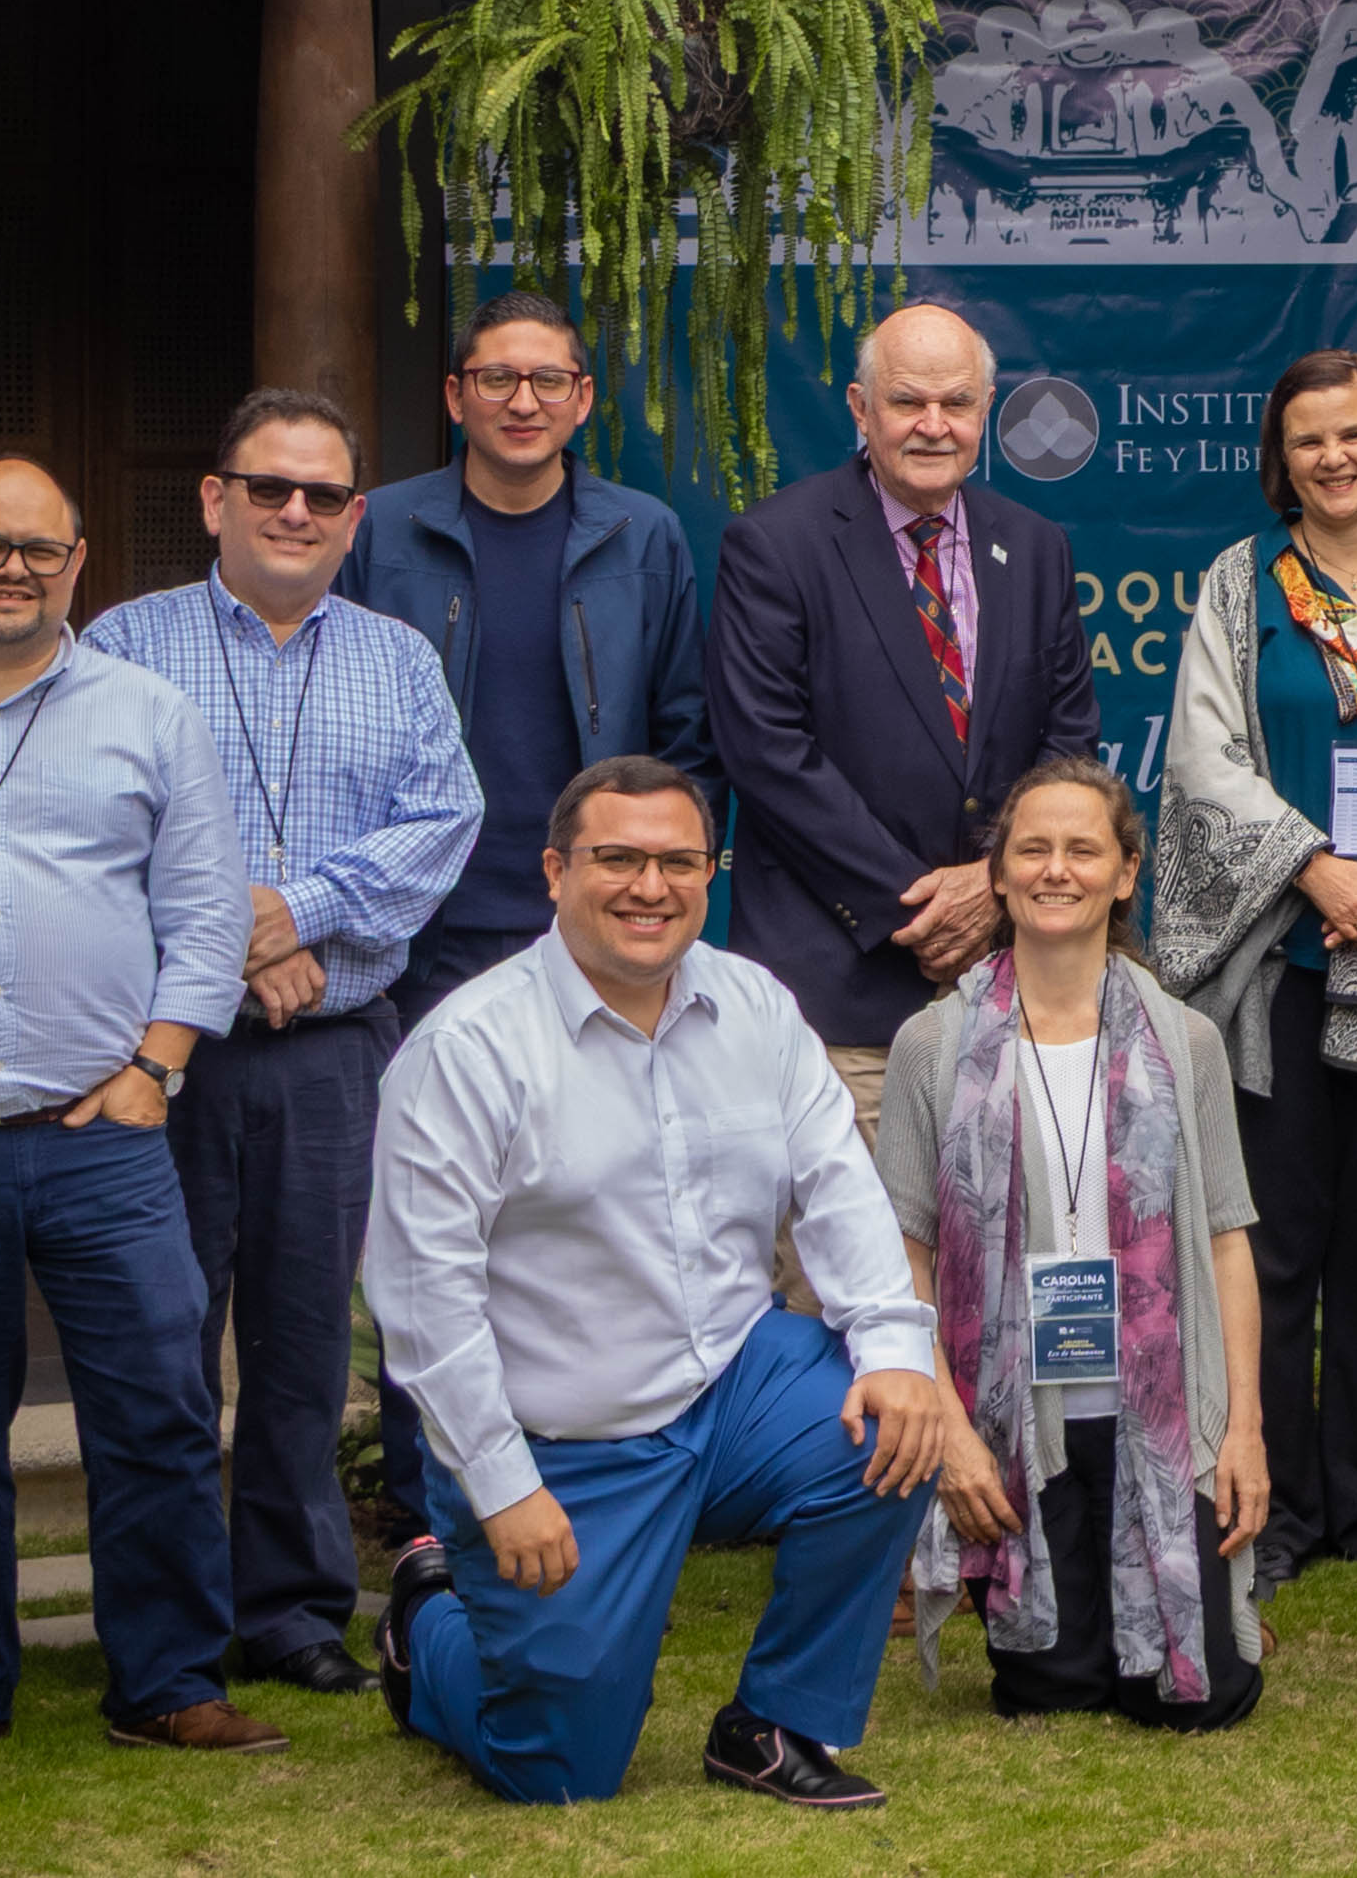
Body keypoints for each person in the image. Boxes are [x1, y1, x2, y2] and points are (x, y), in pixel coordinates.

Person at [367, 755, 953, 1810]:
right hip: (565, 1440)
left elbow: (839, 1187)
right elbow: (424, 1300)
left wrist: (899, 1350)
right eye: (619, 858)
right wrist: (501, 1484)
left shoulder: (755, 1005)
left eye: (679, 860)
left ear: (709, 871)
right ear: (554, 870)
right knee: (556, 1765)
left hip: (731, 1386)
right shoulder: (467, 1047)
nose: (651, 885)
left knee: (895, 1424)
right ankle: (426, 1625)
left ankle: (773, 1722)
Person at [0, 456, 278, 1761]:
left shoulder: (151, 714)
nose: (10, 567)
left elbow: (204, 914)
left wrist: (156, 1068)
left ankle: (166, 1679)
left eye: (39, 547)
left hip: (109, 1135)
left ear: (79, 561)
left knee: (156, 1411)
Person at [82, 388, 482, 1698]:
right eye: (269, 487)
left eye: (322, 494)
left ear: (356, 517)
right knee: (163, 1339)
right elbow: (94, 832)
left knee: (307, 1343)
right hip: (164, 1047)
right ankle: (167, 1614)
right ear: (215, 498)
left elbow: (442, 820)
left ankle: (297, 1607)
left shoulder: (398, 656)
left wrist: (294, 910)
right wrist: (242, 938)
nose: (295, 511)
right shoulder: (123, 647)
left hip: (332, 1049)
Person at [336, 292, 715, 1537]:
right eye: (497, 377)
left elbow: (682, 735)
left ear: (582, 400)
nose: (522, 401)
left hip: (587, 933)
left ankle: (586, 1470)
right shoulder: (380, 527)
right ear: (455, 395)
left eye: (549, 380)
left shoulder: (641, 534)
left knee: (583, 1205)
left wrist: (653, 893)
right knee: (428, 1215)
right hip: (419, 930)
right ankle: (422, 1492)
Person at [1144, 349, 1357, 1585]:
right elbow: (1202, 759)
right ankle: (1278, 1498)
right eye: (1307, 440)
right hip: (1278, 967)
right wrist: (1312, 865)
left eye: (1353, 433)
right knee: (1277, 1240)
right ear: (1278, 457)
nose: (1333, 458)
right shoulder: (1240, 586)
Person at [884, 757, 1272, 1729]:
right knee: (1047, 1690)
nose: (1058, 869)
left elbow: (1228, 1241)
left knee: (1195, 1697)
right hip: (1016, 1429)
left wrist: (1245, 1429)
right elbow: (904, 1257)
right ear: (1000, 874)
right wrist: (951, 1433)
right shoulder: (931, 1045)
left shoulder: (1187, 1038)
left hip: (1164, 1415)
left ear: (1125, 871)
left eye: (1082, 848)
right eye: (1034, 848)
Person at [709, 302, 1098, 1128]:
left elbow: (1069, 747)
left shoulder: (1034, 546)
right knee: (838, 1261)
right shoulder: (775, 543)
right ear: (859, 407)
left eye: (956, 403)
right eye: (906, 401)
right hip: (837, 1009)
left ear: (984, 411)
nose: (933, 425)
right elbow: (766, 749)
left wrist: (994, 883)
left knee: (1001, 1256)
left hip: (1011, 992)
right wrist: (917, 906)